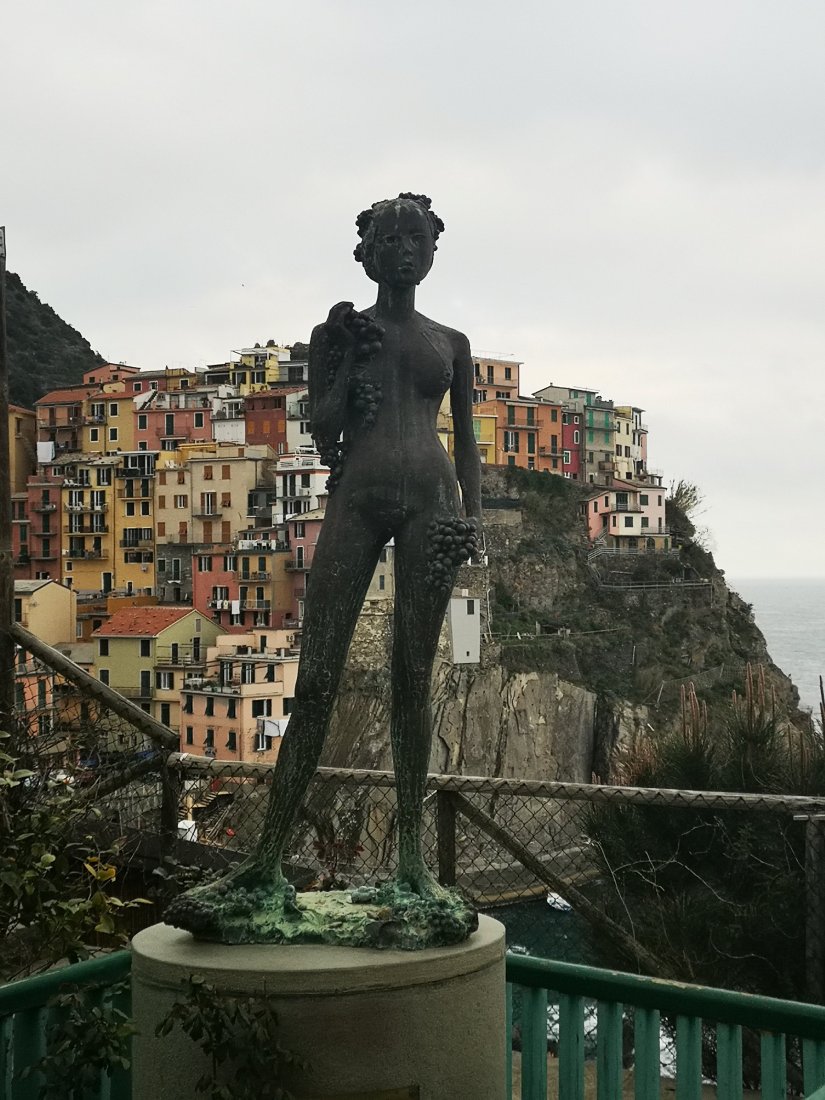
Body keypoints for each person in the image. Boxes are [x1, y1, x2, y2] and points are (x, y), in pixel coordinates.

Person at [167, 193, 481, 940]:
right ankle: (264, 862)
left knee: (412, 678)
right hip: (357, 497)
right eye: (389, 240)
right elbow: (326, 424)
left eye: (416, 239)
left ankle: (412, 866)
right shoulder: (338, 330)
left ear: (432, 251)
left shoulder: (451, 341)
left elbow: (466, 440)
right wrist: (342, 370)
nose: (404, 251)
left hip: (433, 502)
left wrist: (474, 519)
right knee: (315, 679)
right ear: (366, 254)